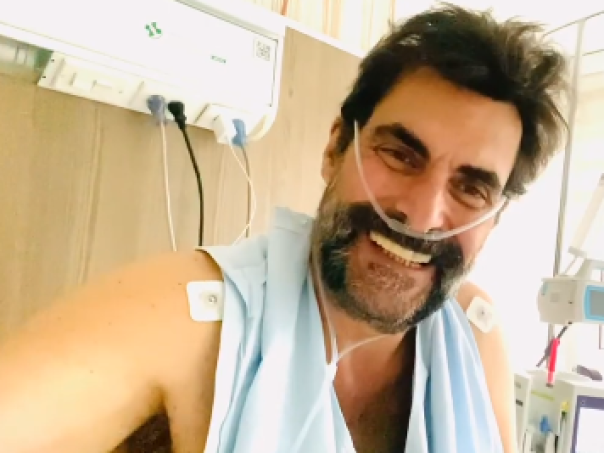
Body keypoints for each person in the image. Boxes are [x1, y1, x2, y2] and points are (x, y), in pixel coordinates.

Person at [0, 5, 567, 453]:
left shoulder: (476, 336)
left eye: (471, 188)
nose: (421, 217)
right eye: (400, 154)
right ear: (335, 147)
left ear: (494, 220)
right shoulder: (193, 318)